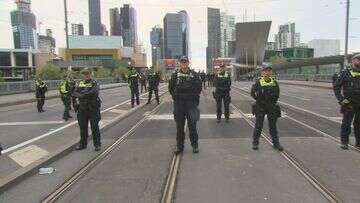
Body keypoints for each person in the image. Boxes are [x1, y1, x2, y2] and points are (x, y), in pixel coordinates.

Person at [169, 56, 202, 155]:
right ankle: (179, 146)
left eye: (185, 62)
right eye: (182, 62)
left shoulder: (194, 75)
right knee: (179, 127)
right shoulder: (175, 75)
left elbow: (199, 87)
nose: (184, 64)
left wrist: (193, 97)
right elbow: (170, 88)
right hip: (179, 104)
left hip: (191, 104)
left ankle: (195, 145)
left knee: (192, 126)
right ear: (180, 63)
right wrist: (176, 97)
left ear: (188, 63)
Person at [251, 65, 283, 151]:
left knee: (273, 126)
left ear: (271, 72)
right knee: (258, 125)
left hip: (271, 106)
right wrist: (259, 100)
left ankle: (276, 144)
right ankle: (255, 143)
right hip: (260, 106)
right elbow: (252, 93)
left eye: (269, 71)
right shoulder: (258, 82)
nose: (267, 73)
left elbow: (277, 94)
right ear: (262, 72)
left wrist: (271, 100)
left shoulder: (274, 83)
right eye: (265, 71)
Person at [333, 54, 360, 150]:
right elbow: (336, 87)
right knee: (346, 123)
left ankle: (358, 142)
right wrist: (341, 99)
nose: (359, 62)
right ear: (353, 61)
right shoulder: (345, 73)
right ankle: (344, 142)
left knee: (358, 123)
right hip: (349, 103)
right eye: (358, 60)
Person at [72, 68, 102, 151]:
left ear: (91, 74)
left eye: (87, 74)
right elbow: (74, 93)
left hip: (93, 108)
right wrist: (83, 95)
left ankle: (97, 144)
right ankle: (83, 144)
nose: (86, 75)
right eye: (84, 74)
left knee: (94, 127)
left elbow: (94, 92)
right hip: (82, 108)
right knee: (83, 127)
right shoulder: (80, 83)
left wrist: (81, 95)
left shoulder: (94, 83)